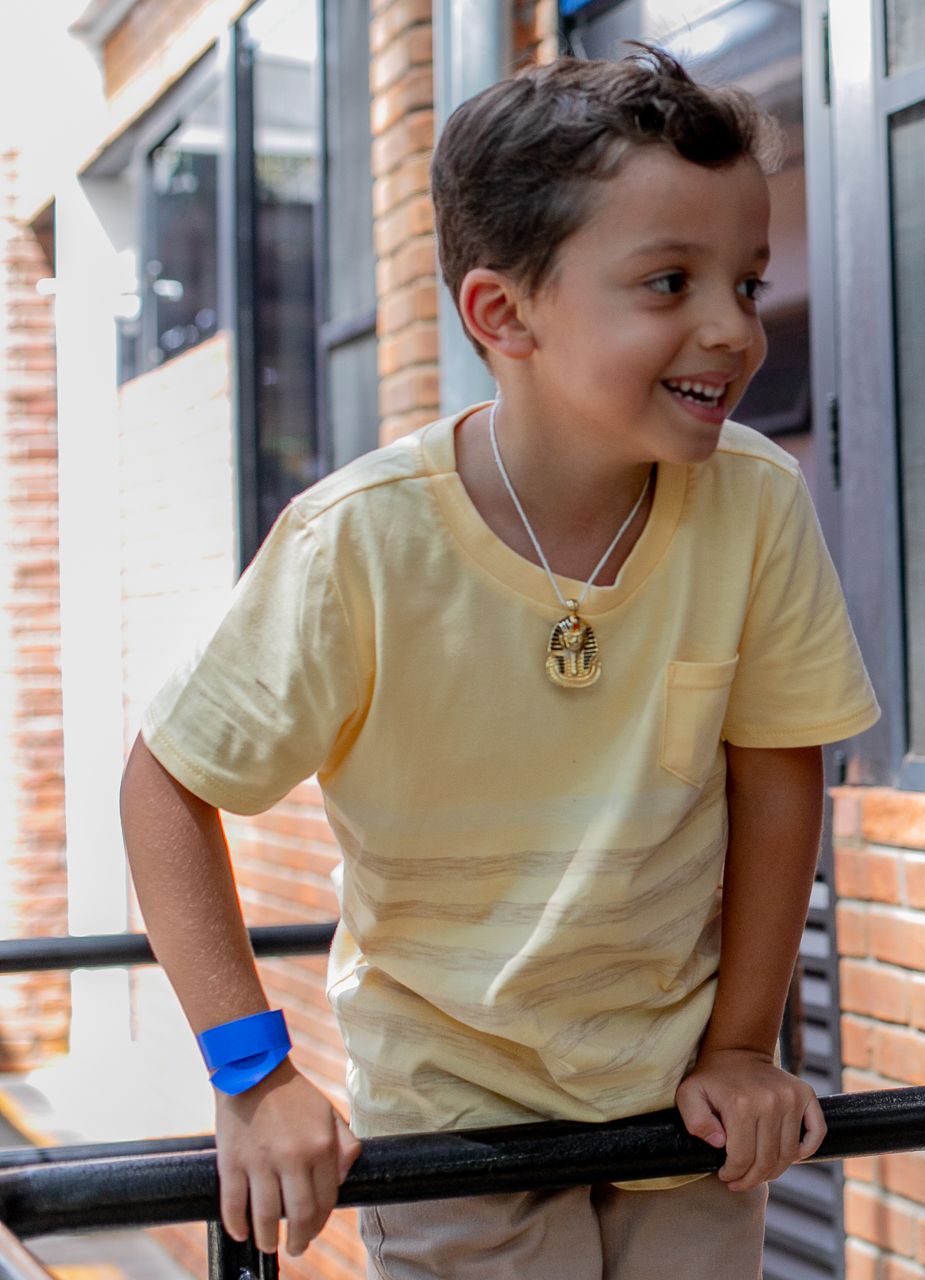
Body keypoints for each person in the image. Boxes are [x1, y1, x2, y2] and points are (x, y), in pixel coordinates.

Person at [119, 47, 877, 1278]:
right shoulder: (360, 541)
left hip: (678, 1104)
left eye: (748, 279)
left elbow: (778, 772)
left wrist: (743, 1045)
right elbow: (165, 782)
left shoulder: (758, 502)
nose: (733, 328)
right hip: (453, 1122)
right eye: (670, 281)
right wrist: (251, 1070)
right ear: (502, 313)